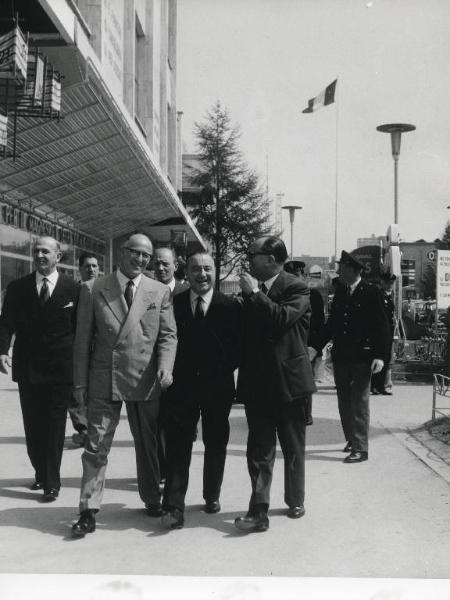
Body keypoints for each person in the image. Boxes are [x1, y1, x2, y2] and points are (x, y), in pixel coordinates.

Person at [71, 233, 177, 538]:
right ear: (122, 252)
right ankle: (87, 510)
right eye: (136, 253)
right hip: (105, 378)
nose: (141, 260)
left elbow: (169, 336)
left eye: (147, 256)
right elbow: (81, 342)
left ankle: (151, 498)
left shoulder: (158, 291)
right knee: (95, 446)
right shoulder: (93, 289)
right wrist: (79, 383)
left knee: (148, 446)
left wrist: (165, 367)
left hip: (145, 378)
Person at [234, 236, 315, 533]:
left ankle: (295, 499)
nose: (249, 260)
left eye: (252, 255)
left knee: (293, 447)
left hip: (290, 384)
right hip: (258, 384)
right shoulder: (251, 293)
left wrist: (255, 294)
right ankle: (258, 510)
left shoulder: (296, 287)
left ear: (270, 259)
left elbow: (280, 319)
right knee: (259, 450)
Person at [161, 251, 241, 529]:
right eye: (196, 269)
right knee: (178, 445)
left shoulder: (230, 306)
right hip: (181, 388)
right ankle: (173, 505)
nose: (202, 274)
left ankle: (211, 495)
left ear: (215, 272)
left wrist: (217, 369)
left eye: (207, 268)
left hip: (217, 387)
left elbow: (237, 349)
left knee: (216, 442)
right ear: (188, 273)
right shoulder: (174, 303)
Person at [0, 236, 80, 501]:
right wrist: (1, 351)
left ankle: (52, 481)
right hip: (29, 368)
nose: (41, 255)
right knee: (33, 425)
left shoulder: (74, 289)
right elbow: (6, 323)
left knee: (55, 425)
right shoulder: (18, 288)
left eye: (46, 251)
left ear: (59, 256)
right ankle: (40, 473)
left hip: (60, 369)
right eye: (37, 251)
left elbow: (81, 329)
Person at [313, 250, 389, 464]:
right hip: (342, 357)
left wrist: (380, 356)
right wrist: (315, 346)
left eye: (342, 268)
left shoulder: (371, 292)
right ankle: (351, 440)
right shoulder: (342, 293)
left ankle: (361, 448)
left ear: (353, 270)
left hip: (362, 358)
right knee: (344, 402)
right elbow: (333, 325)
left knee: (359, 402)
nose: (338, 272)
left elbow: (381, 327)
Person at [152, 247, 189, 485]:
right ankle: (161, 469)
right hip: (153, 367)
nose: (161, 268)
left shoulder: (188, 291)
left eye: (166, 264)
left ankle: (174, 467)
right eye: (157, 264)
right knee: (156, 421)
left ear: (176, 265)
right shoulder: (145, 291)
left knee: (177, 422)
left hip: (183, 367)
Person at [284, 259, 325, 424]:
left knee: (304, 383)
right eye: (290, 276)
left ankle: (305, 415)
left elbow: (319, 324)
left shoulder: (313, 295)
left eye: (297, 275)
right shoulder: (282, 294)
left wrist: (314, 348)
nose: (294, 279)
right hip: (287, 346)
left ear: (303, 276)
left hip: (306, 346)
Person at [69, 252, 101, 448]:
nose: (91, 269)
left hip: (97, 353)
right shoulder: (72, 291)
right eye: (87, 266)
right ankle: (82, 430)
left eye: (95, 266)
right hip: (74, 351)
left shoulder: (104, 291)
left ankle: (92, 431)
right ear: (80, 269)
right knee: (75, 395)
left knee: (95, 394)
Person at [371, 272, 396, 395]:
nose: (390, 285)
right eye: (388, 282)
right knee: (379, 357)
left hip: (388, 332)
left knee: (386, 359)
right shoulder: (379, 295)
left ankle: (381, 386)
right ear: (382, 282)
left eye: (391, 283)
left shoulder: (388, 296)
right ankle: (374, 385)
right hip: (380, 332)